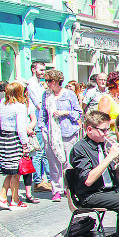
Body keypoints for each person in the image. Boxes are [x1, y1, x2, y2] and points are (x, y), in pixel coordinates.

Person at [41, 69, 82, 202]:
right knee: (53, 163)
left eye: (50, 81)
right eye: (46, 81)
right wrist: (43, 129)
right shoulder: (46, 95)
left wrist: (65, 112)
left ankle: (69, 188)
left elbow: (78, 113)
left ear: (58, 81)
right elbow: (43, 114)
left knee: (68, 163)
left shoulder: (69, 94)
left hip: (67, 132)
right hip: (51, 133)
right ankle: (56, 190)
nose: (48, 84)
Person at [0, 82, 32, 210]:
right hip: (14, 138)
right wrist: (25, 144)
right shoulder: (19, 107)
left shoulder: (3, 105)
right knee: (16, 172)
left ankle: (3, 197)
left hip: (4, 138)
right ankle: (14, 201)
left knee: (10, 171)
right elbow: (21, 128)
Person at [27, 62, 49, 191]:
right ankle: (37, 181)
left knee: (44, 152)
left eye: (44, 70)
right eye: (41, 70)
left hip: (42, 120)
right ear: (33, 69)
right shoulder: (31, 84)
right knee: (38, 152)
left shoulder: (39, 84)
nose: (43, 72)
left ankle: (44, 179)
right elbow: (38, 103)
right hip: (38, 120)